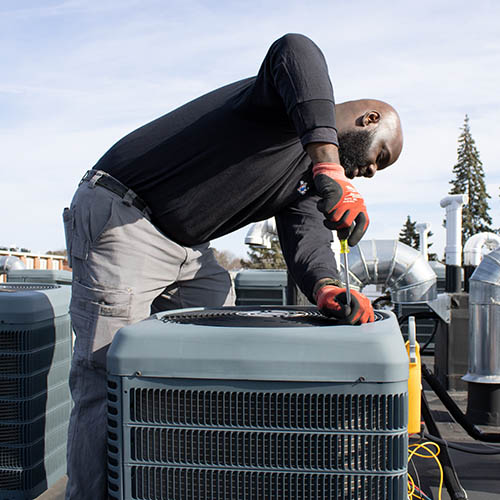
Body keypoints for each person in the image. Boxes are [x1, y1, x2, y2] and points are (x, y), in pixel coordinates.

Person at [63, 33, 403, 499]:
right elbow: (296, 47)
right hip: (125, 216)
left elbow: (308, 244)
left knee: (212, 349)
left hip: (187, 249)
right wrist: (330, 166)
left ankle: (174, 483)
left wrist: (326, 288)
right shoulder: (287, 103)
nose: (370, 173)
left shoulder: (301, 183)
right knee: (103, 374)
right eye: (378, 158)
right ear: (368, 119)